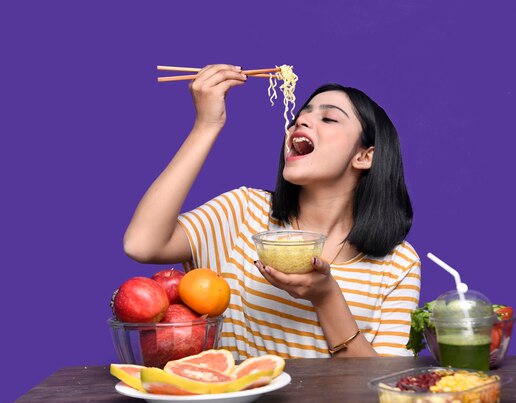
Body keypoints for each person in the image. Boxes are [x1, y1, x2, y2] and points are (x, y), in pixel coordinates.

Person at [123, 64, 420, 359]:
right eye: (299, 116)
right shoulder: (242, 212)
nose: (301, 121)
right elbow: (141, 244)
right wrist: (206, 125)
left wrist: (326, 295)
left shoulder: (398, 264)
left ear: (364, 156)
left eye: (329, 118)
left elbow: (384, 391)